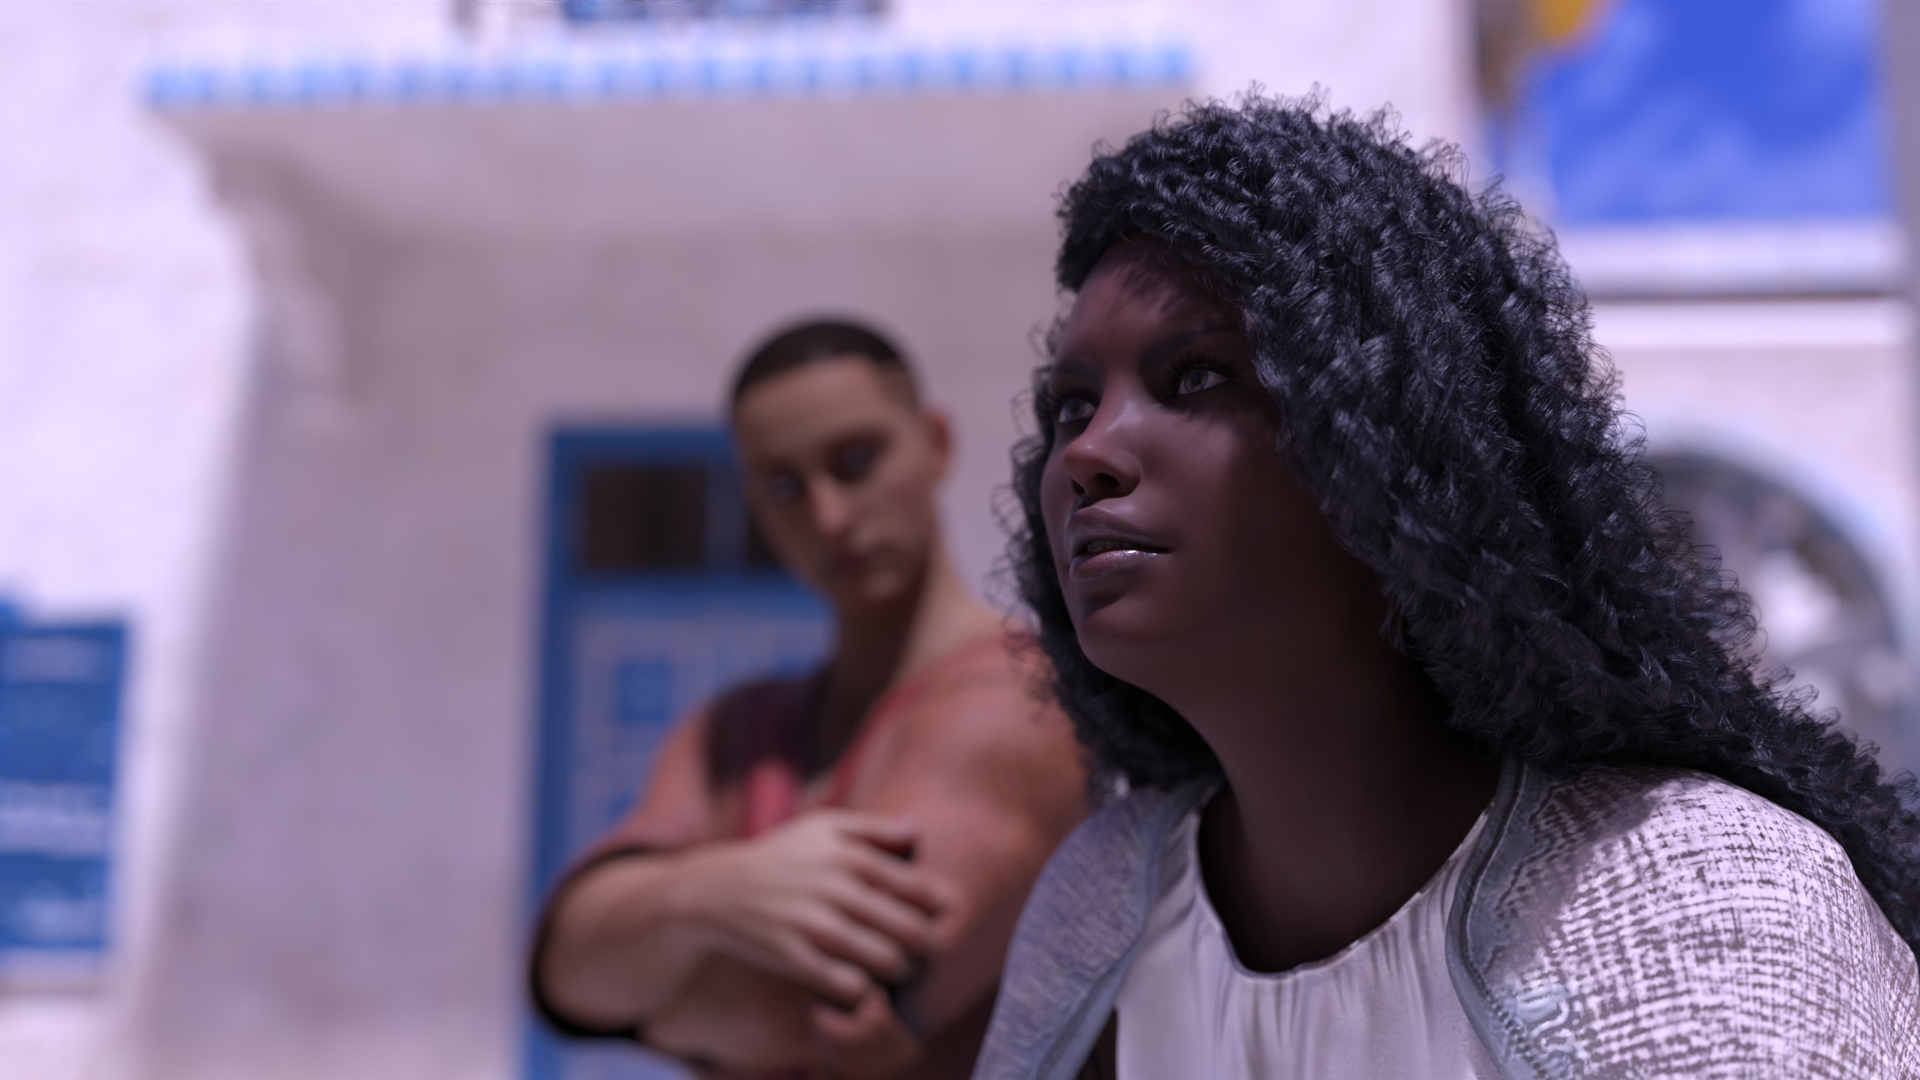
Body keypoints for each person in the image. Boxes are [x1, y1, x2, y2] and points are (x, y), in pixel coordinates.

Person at [975, 98, 1920, 1079]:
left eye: (1197, 378)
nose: (1086, 452)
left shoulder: (1696, 892)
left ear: (1396, 443)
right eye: (1072, 405)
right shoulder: (1103, 906)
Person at [530, 320, 1088, 1079]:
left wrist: (647, 996)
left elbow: (817, 1009)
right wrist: (711, 893)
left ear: (935, 443)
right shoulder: (737, 728)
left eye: (856, 461)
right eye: (783, 486)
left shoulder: (1021, 696)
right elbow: (565, 964)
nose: (829, 517)